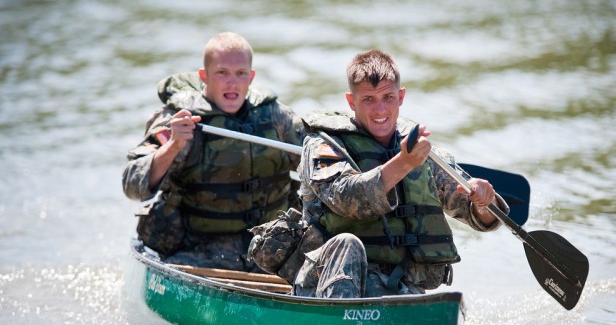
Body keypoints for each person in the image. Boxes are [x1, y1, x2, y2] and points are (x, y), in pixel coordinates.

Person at [291, 49, 509, 298]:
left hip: (398, 286)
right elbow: (347, 199)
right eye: (368, 99)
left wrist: (483, 202)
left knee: (441, 302)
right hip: (324, 284)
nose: (379, 109)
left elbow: (479, 218)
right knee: (346, 243)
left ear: (401, 97)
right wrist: (404, 163)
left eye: (387, 97)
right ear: (351, 102)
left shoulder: (421, 151)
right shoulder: (323, 145)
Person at [122, 32, 305, 270]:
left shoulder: (277, 118)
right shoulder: (179, 120)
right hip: (196, 249)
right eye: (222, 73)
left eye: (240, 74)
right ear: (204, 76)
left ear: (250, 78)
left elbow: (318, 163)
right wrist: (173, 146)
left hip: (270, 247)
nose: (232, 82)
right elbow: (132, 186)